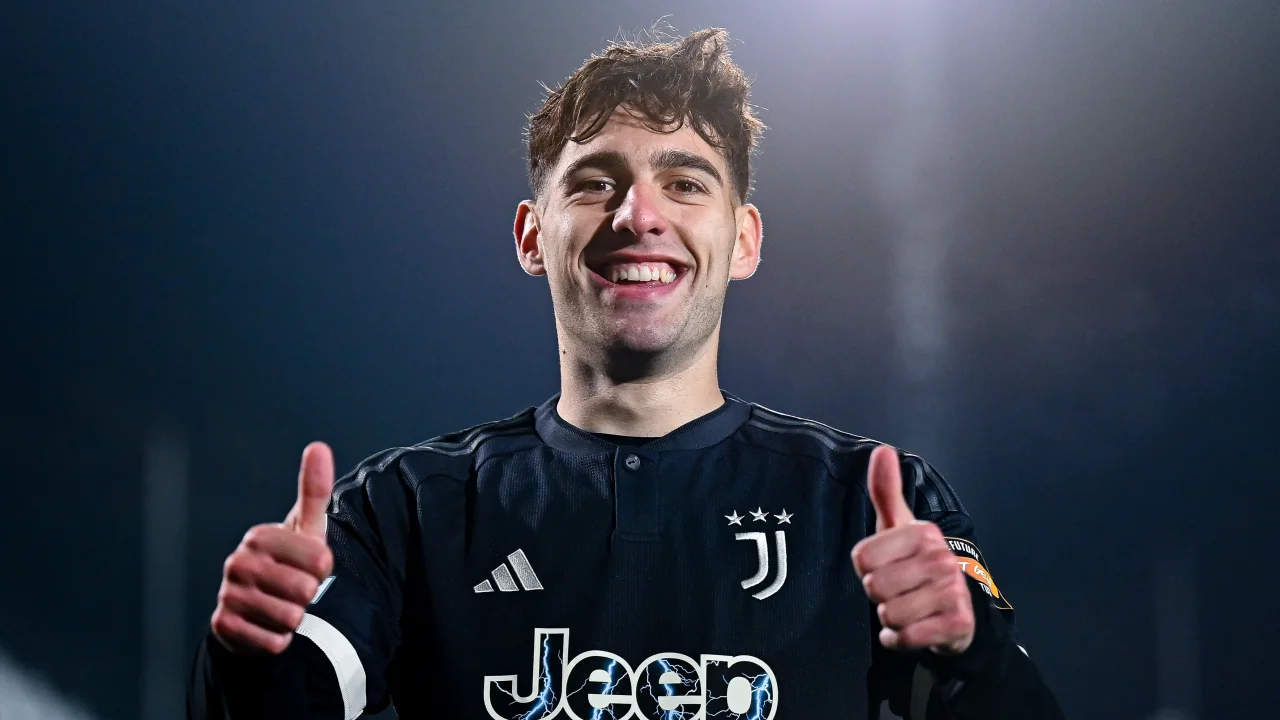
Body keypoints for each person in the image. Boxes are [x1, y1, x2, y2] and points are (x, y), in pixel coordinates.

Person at [188, 28, 1064, 720]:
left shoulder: (870, 503)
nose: (639, 214)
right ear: (533, 237)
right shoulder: (407, 508)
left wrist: (969, 655)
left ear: (744, 240)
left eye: (685, 184)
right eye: (595, 183)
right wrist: (249, 652)